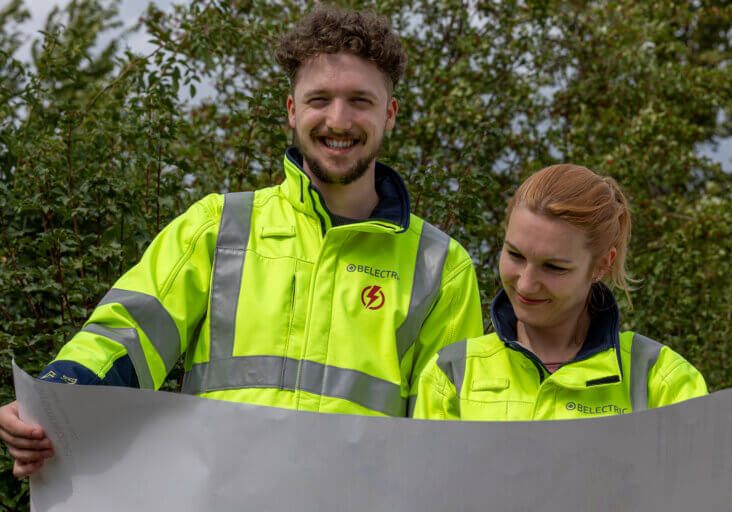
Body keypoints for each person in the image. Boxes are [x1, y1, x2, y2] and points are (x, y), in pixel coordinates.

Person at [0, 6, 483, 476]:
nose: (338, 120)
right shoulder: (217, 227)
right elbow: (126, 337)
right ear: (292, 110)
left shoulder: (441, 266)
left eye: (360, 100)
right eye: (319, 100)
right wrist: (49, 402)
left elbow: (448, 435)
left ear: (390, 113)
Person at [413, 164, 707, 421]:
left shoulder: (661, 380)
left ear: (603, 264)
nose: (526, 284)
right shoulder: (451, 375)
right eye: (515, 255)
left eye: (554, 267)